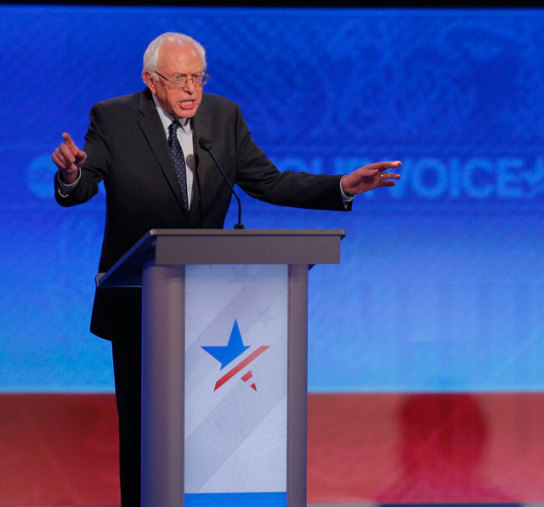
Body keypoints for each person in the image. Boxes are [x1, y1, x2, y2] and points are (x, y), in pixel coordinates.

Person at [52, 32, 400, 506]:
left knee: (209, 435)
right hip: (140, 305)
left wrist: (340, 186)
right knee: (143, 431)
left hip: (212, 304)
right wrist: (71, 175)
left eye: (198, 77)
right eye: (180, 79)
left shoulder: (223, 116)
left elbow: (268, 182)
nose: (192, 89)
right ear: (150, 81)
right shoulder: (113, 118)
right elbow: (83, 184)